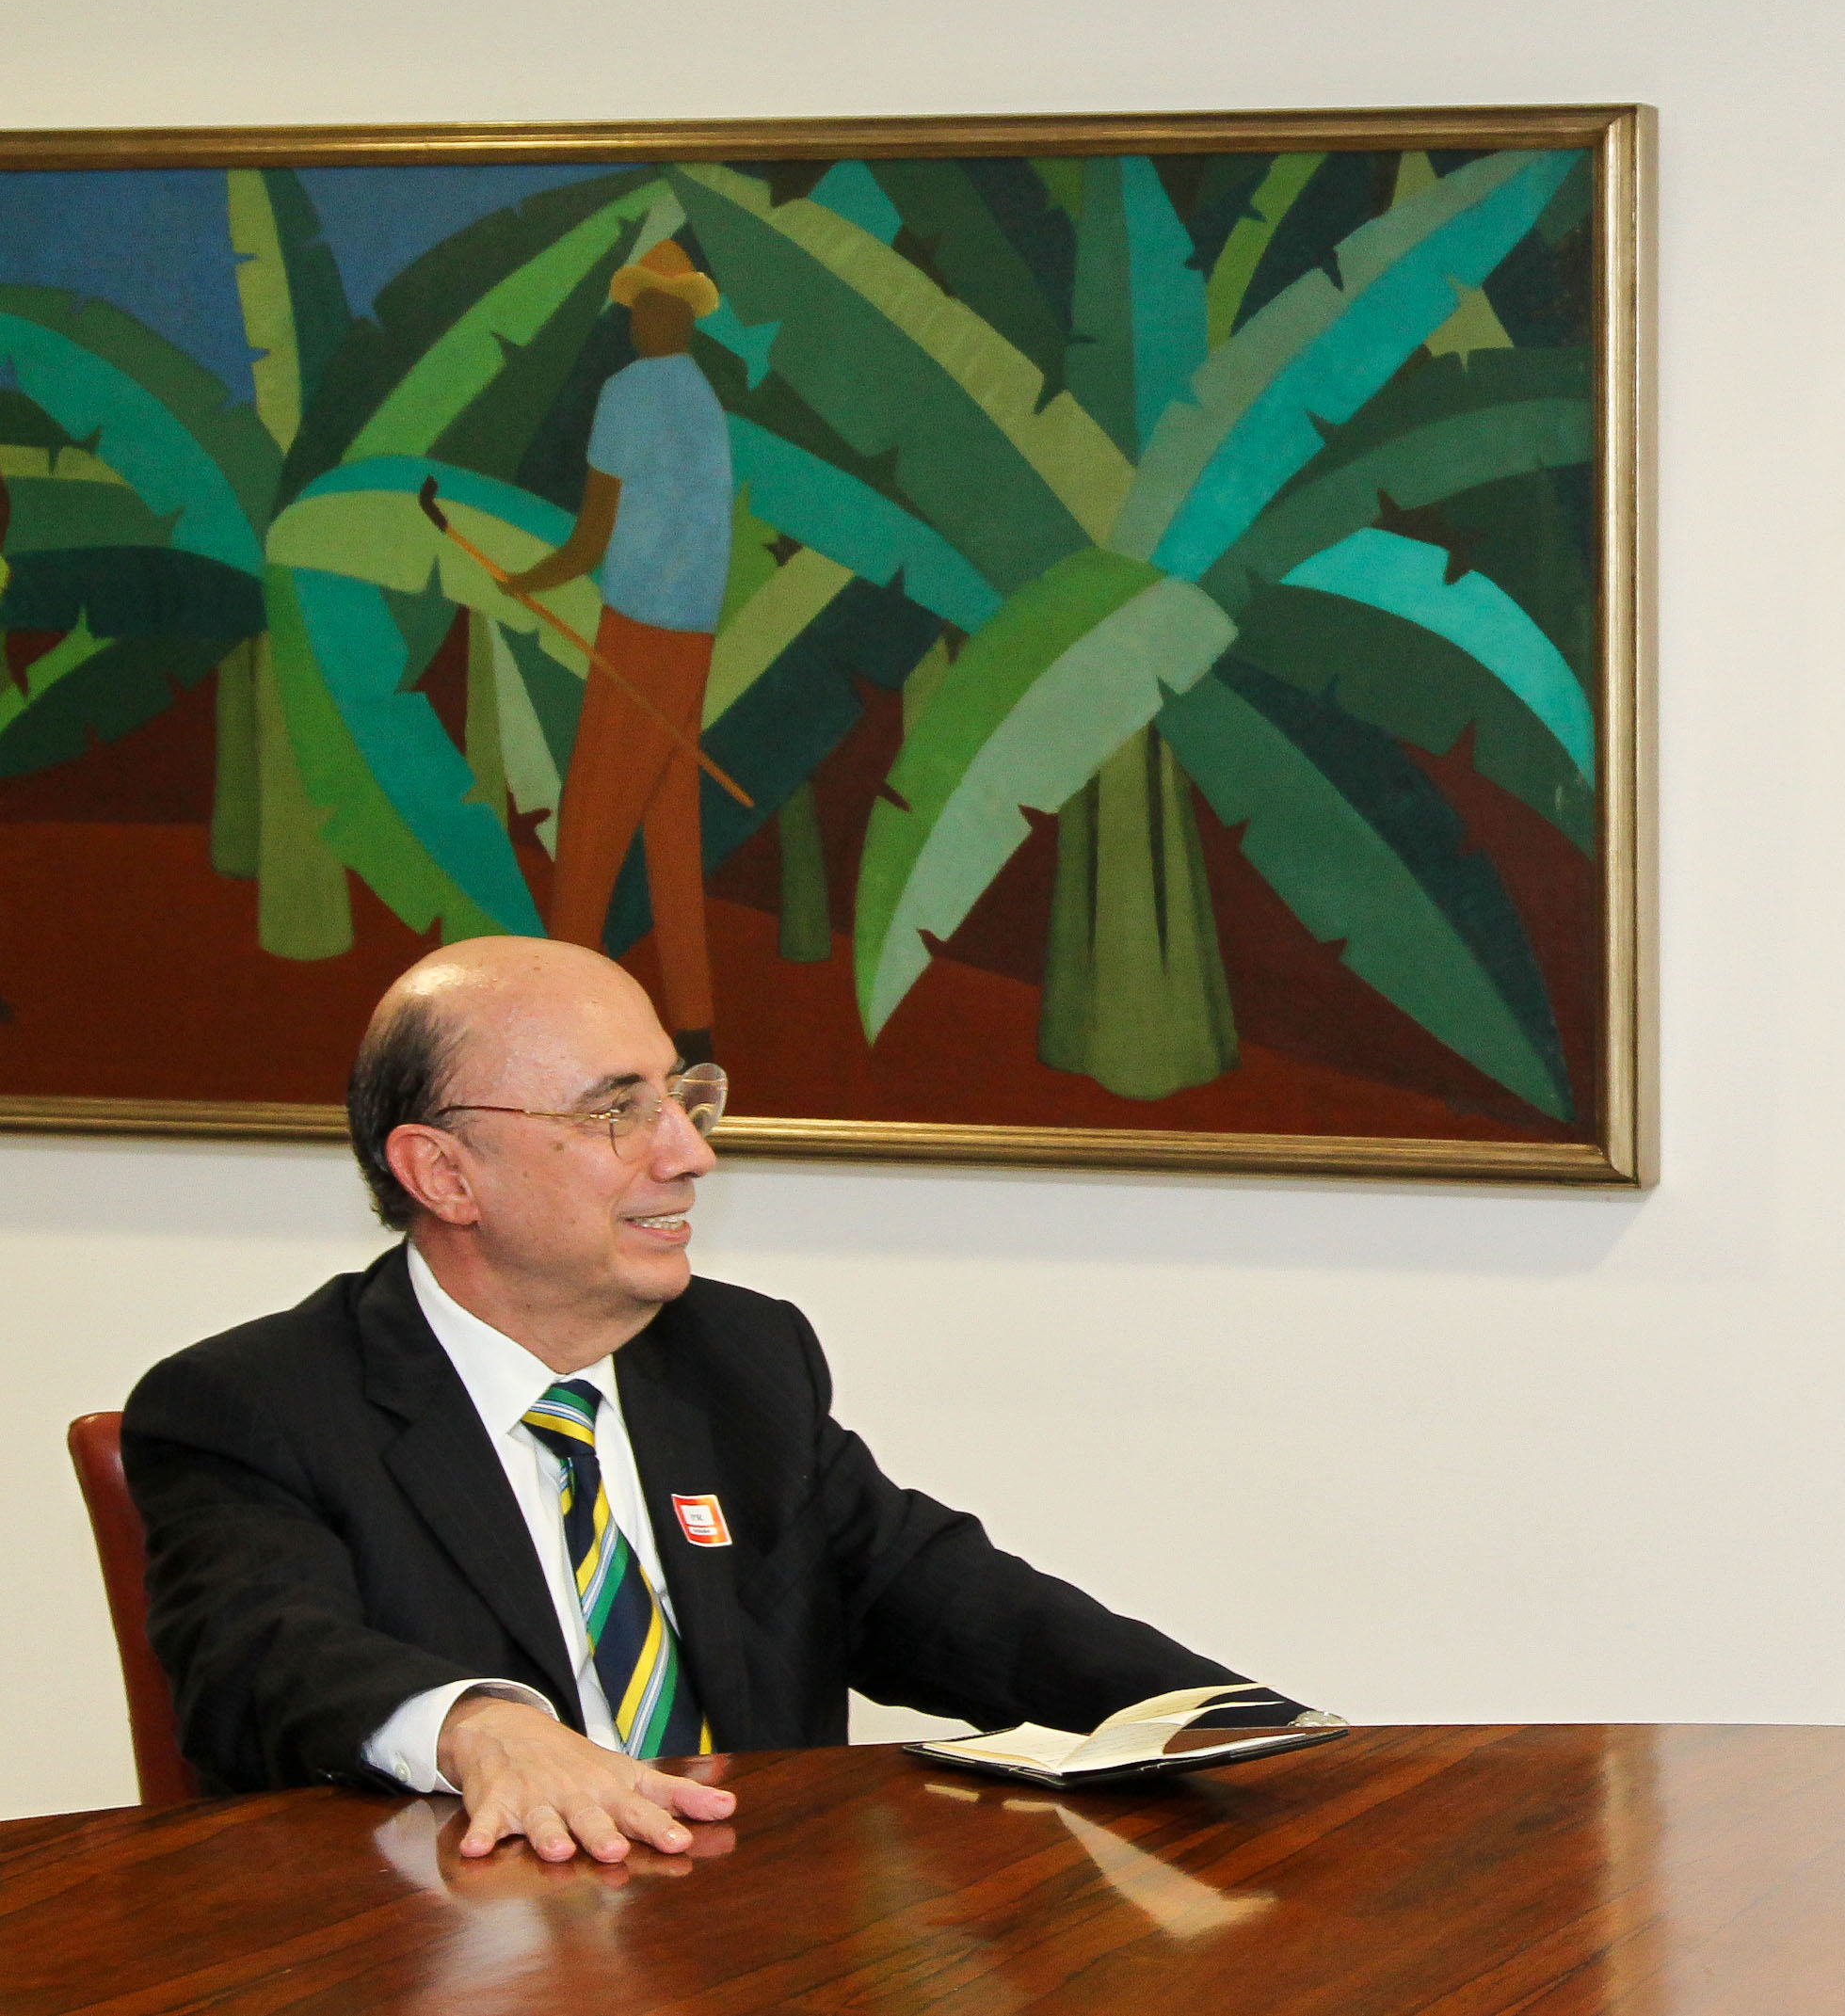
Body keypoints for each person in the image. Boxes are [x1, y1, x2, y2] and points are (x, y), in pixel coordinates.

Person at [124, 936, 1316, 1862]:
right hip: (441, 1958)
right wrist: (480, 1728)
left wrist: (1229, 1723)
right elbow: (260, 1662)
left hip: (754, 1939)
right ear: (444, 1173)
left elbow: (940, 1596)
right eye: (617, 1112)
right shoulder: (250, 1406)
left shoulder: (738, 1359)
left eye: (682, 1096)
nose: (689, 1153)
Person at [505, 238, 734, 1062]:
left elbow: (591, 536)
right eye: (638, 305)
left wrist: (526, 580)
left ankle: (563, 1017)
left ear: (669, 314)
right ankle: (695, 1026)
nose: (638, 320)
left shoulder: (629, 393)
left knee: (593, 826)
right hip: (693, 637)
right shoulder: (704, 400)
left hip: (640, 630)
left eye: (647, 306)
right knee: (669, 831)